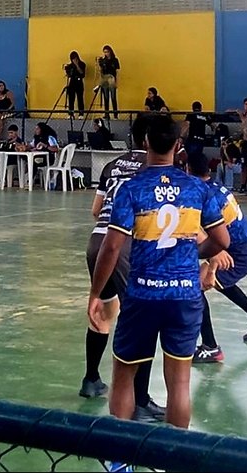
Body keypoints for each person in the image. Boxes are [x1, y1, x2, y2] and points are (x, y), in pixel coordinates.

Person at [88, 112, 230, 437]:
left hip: (141, 296)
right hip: (184, 296)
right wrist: (192, 253)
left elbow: (111, 249)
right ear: (178, 145)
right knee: (179, 383)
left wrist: (97, 293)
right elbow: (222, 241)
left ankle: (119, 460)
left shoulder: (131, 188)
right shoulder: (197, 189)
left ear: (145, 142)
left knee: (123, 375)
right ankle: (173, 457)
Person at [81, 113, 166, 423]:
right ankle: (140, 400)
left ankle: (91, 379)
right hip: (125, 244)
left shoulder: (114, 164)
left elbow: (95, 210)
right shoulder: (155, 168)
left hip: (96, 241)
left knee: (105, 310)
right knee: (142, 318)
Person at [187, 153, 247, 364]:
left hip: (239, 250)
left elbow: (208, 231)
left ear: (188, 171)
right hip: (246, 244)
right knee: (223, 284)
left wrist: (213, 263)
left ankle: (210, 347)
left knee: (195, 289)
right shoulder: (215, 186)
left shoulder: (202, 194)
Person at [96, 45, 120, 119]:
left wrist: (117, 82)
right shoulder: (103, 61)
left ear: (110, 52)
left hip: (112, 78)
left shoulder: (115, 60)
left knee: (113, 97)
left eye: (107, 52)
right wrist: (98, 63)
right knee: (105, 97)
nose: (106, 54)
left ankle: (115, 115)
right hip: (105, 78)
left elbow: (117, 71)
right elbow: (100, 71)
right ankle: (107, 114)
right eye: (104, 52)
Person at [64, 51, 86, 118]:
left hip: (79, 82)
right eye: (73, 59)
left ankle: (81, 114)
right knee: (71, 98)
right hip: (72, 82)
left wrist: (77, 65)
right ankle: (71, 113)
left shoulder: (82, 64)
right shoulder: (70, 66)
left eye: (75, 58)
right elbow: (69, 75)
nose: (74, 60)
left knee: (80, 98)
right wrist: (67, 70)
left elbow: (82, 74)